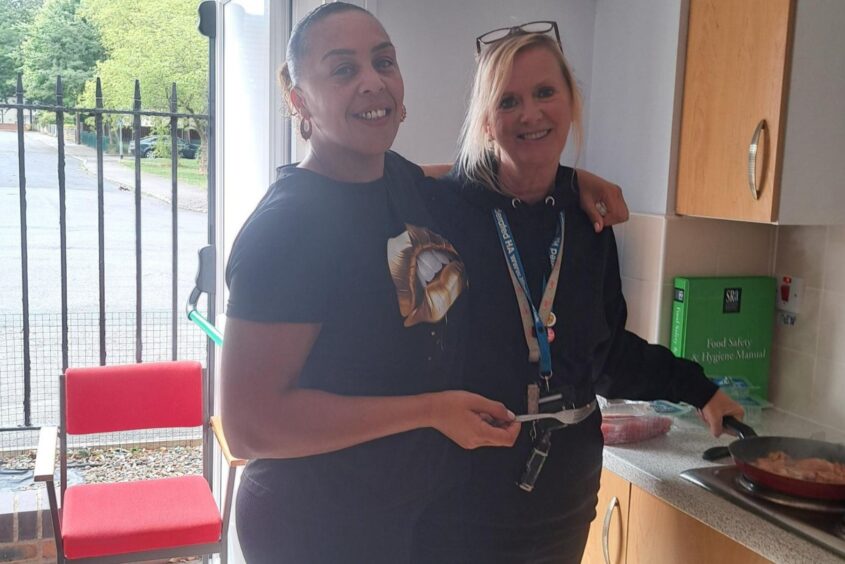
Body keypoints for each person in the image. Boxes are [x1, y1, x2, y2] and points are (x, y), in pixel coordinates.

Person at [221, 4, 627, 563]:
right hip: (316, 526)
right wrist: (430, 410)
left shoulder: (396, 180)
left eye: (383, 61)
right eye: (343, 70)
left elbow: (459, 176)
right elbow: (248, 426)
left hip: (402, 517)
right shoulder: (290, 225)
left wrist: (570, 178)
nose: (372, 80)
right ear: (298, 100)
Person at [409, 24, 744, 563]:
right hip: (464, 492)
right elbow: (372, 184)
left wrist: (699, 389)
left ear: (570, 102)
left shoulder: (588, 220)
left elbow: (605, 354)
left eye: (545, 93)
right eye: (508, 101)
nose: (531, 113)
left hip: (565, 491)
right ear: (487, 122)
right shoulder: (446, 212)